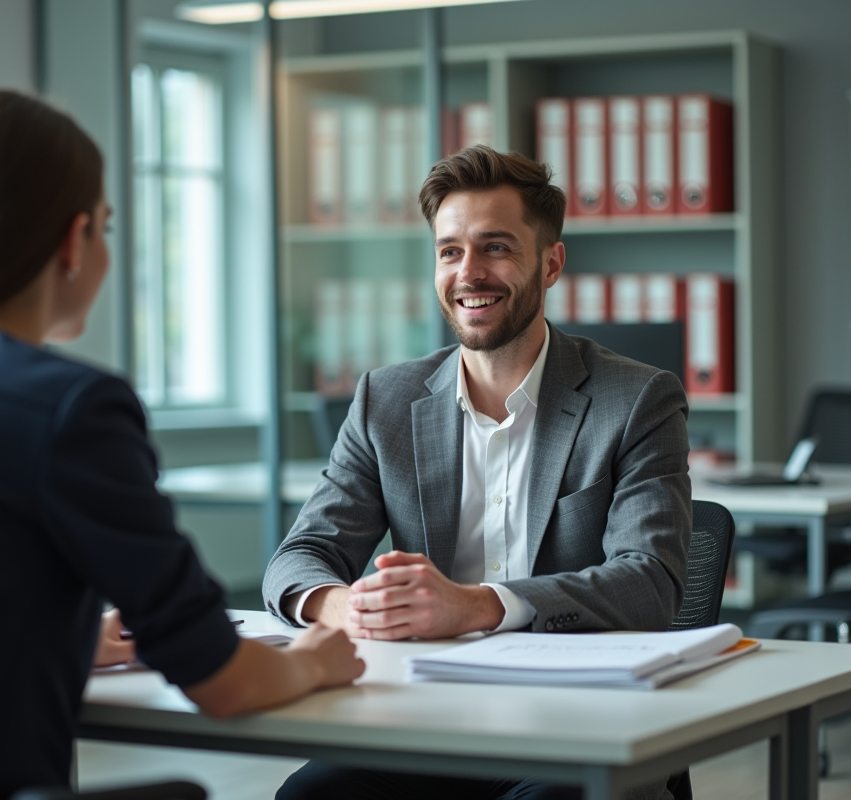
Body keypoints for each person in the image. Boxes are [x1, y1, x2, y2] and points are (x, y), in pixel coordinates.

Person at [0, 90, 363, 800]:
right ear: (73, 239)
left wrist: (60, 640)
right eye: (107, 229)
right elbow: (225, 681)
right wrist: (311, 661)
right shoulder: (68, 407)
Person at [264, 145, 691, 800]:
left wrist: (476, 607)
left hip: (577, 727)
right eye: (450, 251)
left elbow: (650, 582)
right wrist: (346, 605)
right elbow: (301, 555)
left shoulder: (635, 400)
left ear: (551, 263)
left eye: (495, 248)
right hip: (424, 724)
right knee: (309, 796)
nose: (469, 273)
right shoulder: (388, 401)